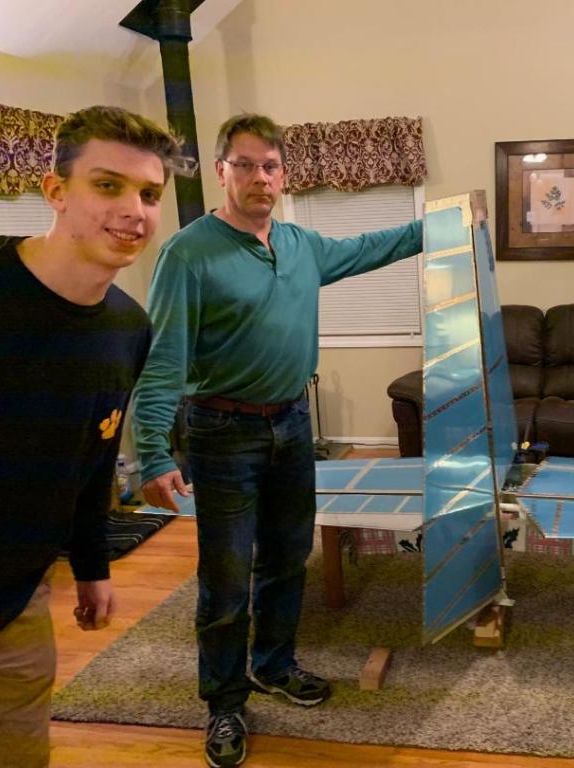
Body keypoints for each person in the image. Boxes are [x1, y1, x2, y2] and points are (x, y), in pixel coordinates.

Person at [131, 112, 423, 768]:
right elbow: (164, 358)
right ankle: (224, 700)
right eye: (245, 165)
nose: (259, 177)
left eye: (270, 166)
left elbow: (375, 247)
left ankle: (273, 664)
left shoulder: (300, 245)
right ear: (222, 171)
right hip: (221, 433)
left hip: (293, 425)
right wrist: (150, 451)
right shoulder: (188, 253)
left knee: (288, 558)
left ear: (284, 174)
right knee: (227, 576)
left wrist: (444, 224)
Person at [0, 106, 185, 767]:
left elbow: (95, 456)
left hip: (11, 604)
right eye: (108, 185)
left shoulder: (127, 329)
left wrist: (91, 566)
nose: (134, 210)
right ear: (56, 191)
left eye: (149, 194)